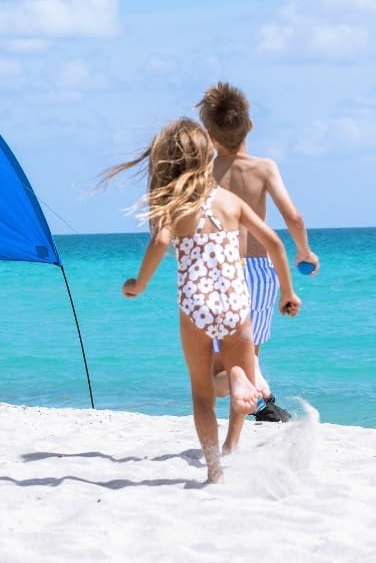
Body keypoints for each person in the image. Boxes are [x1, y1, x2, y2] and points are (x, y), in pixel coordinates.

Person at [102, 119, 301, 484]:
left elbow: (161, 243)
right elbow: (273, 243)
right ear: (206, 157)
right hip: (236, 302)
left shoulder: (174, 207)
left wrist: (138, 284)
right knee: (239, 364)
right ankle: (236, 413)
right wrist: (288, 291)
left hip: (195, 306)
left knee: (202, 394)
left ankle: (214, 472)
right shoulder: (230, 202)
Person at [197, 82, 320, 422]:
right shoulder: (264, 168)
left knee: (219, 373)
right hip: (261, 273)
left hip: (221, 272)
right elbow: (293, 216)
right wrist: (304, 252)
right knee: (249, 352)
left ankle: (245, 383)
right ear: (249, 125)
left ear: (208, 134)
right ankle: (258, 396)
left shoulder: (204, 173)